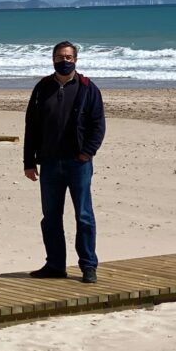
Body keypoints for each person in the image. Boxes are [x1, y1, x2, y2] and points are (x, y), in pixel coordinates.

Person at [23, 41, 105, 284]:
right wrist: (29, 161)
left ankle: (88, 266)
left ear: (76, 60)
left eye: (69, 57)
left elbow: (98, 125)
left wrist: (87, 152)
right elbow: (32, 126)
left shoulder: (88, 88)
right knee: (50, 217)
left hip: (78, 163)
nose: (65, 61)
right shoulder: (42, 88)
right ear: (53, 59)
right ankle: (55, 265)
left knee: (84, 216)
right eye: (60, 56)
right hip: (49, 163)